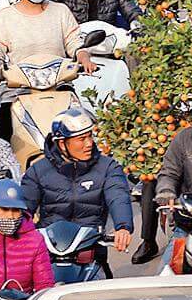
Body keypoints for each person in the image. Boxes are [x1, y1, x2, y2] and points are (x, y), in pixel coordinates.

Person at [20, 107, 133, 259]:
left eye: (90, 137)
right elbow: (24, 208)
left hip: (90, 248)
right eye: (81, 139)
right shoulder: (37, 171)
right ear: (62, 144)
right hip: (48, 252)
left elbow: (118, 197)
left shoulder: (108, 167)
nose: (89, 144)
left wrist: (123, 227)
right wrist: (19, 234)